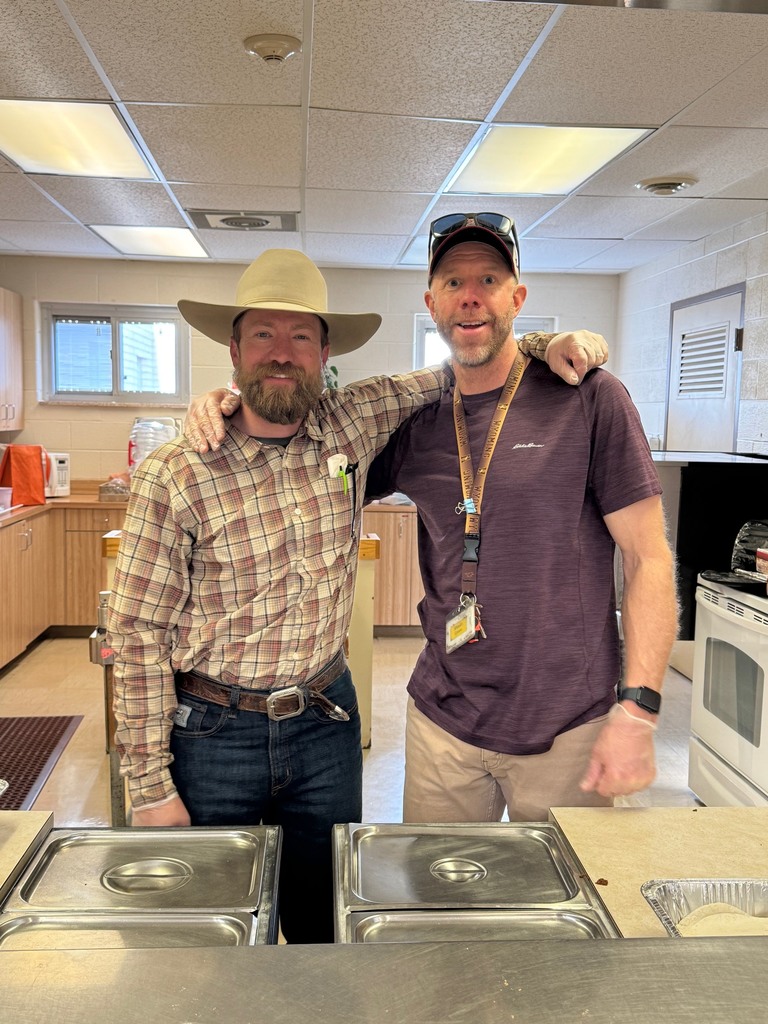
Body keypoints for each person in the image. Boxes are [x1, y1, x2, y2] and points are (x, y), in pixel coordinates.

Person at [109, 247, 608, 946]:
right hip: (211, 735)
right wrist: (149, 786)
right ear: (232, 347)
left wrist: (541, 341)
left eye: (300, 337)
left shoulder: (353, 420)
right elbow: (133, 636)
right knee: (204, 936)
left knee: (325, 929)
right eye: (262, 335)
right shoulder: (177, 472)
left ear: (325, 350)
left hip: (324, 726)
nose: (281, 354)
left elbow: (466, 360)